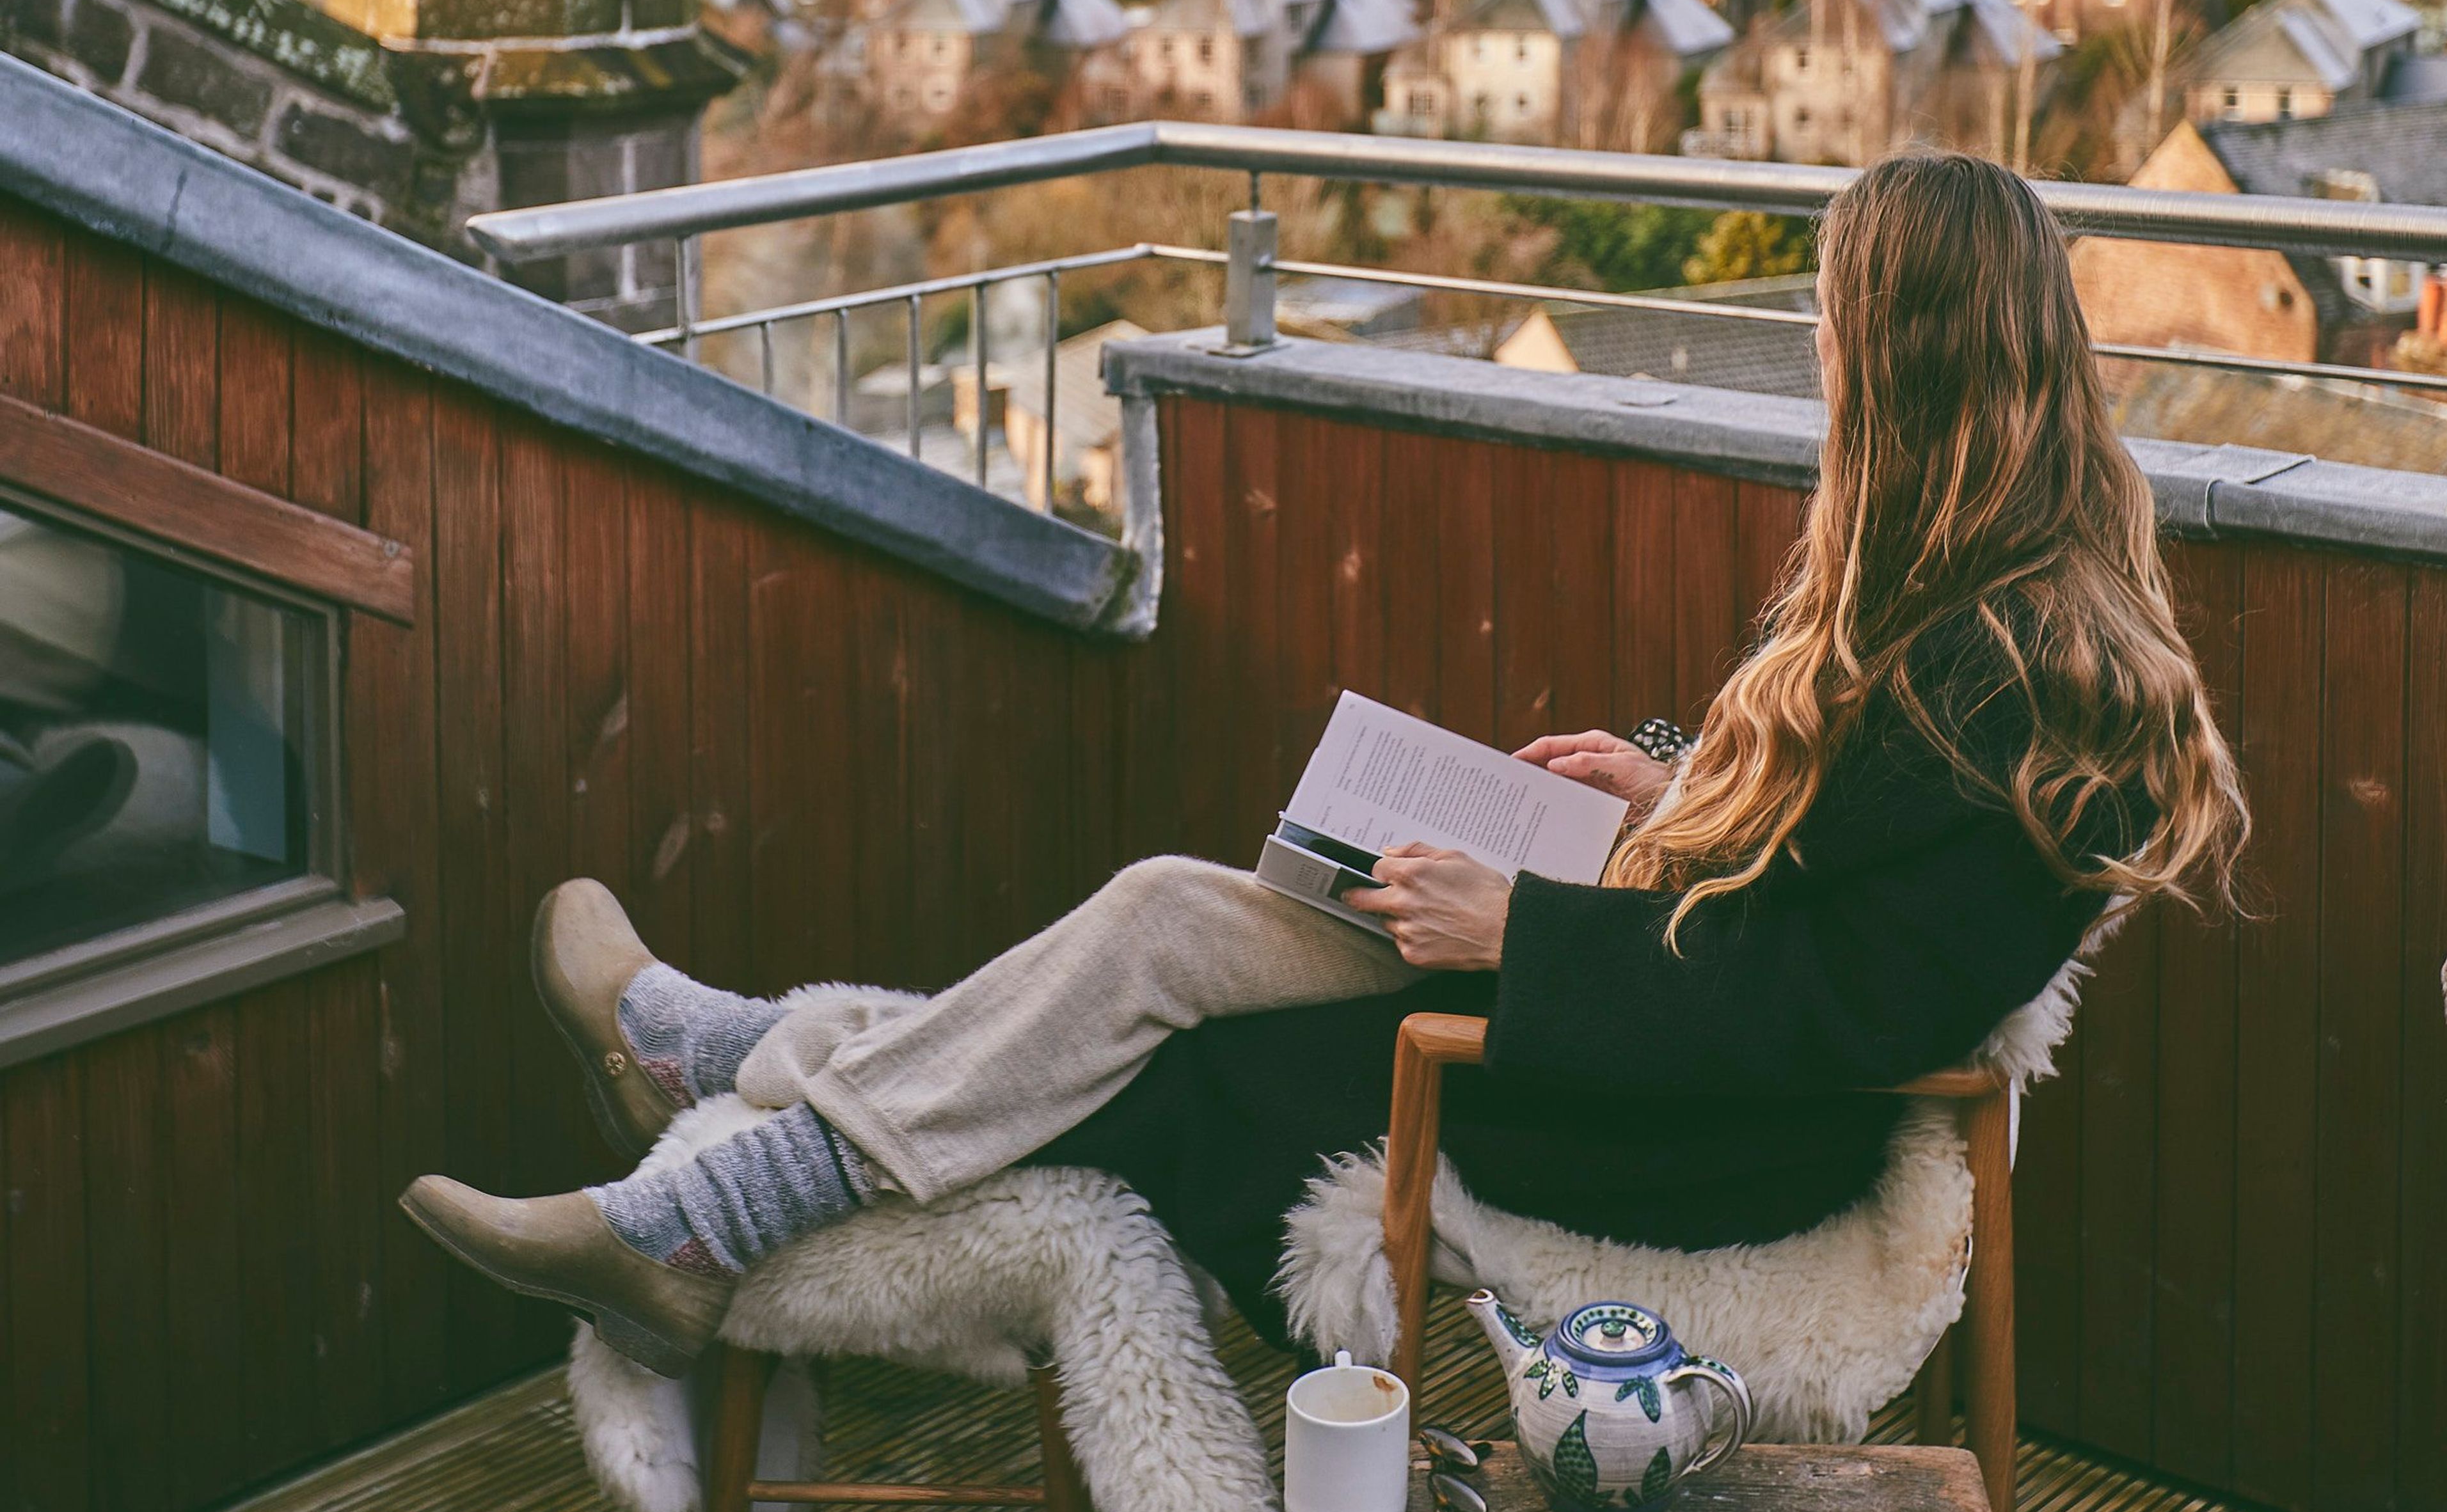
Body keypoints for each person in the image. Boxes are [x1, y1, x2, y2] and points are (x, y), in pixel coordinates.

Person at [403, 152, 2248, 1376]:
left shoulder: (2040, 673)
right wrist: (1659, 786)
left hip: (1703, 1131)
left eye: (1842, 332)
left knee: (1167, 1013)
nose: (1822, 368)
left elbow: (1840, 1003)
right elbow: (1835, 864)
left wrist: (1532, 933)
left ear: (1907, 360)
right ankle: (711, 1069)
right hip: (1645, 1001)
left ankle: (706, 1175)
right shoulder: (1972, 596)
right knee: (1158, 920)